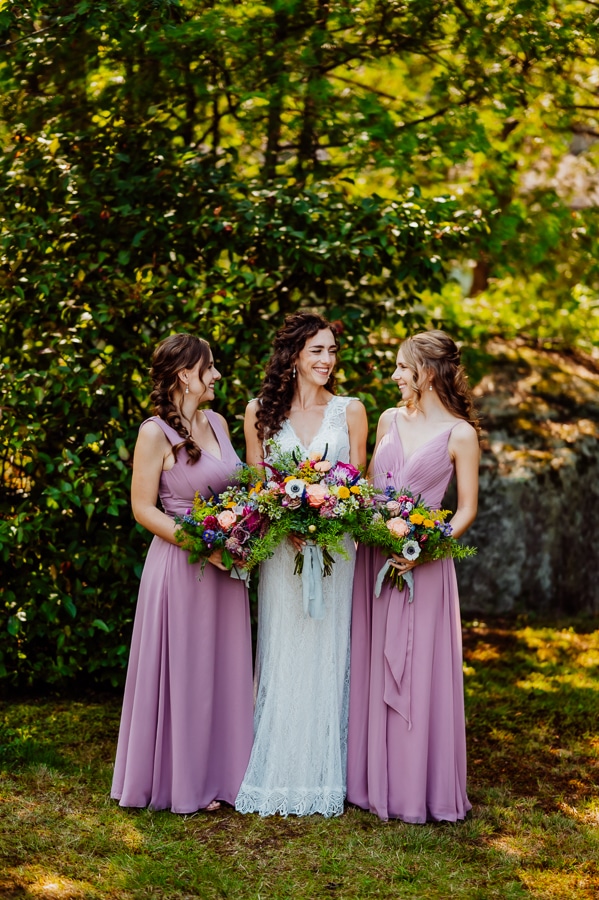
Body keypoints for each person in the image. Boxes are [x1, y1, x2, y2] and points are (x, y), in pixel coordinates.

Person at [111, 333, 254, 814]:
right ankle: (183, 780)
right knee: (187, 671)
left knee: (224, 669)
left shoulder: (217, 421)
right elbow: (142, 509)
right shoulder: (155, 433)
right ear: (183, 375)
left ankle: (225, 776)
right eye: (209, 367)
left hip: (225, 570)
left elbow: (234, 488)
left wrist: (241, 534)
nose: (216, 375)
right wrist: (203, 544)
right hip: (181, 566)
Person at [235, 312, 368, 817]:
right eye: (317, 350)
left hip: (334, 554)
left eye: (332, 351)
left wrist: (328, 519)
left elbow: (359, 484)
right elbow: (255, 485)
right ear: (294, 355)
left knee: (330, 652)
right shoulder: (258, 412)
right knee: (283, 647)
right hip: (281, 552)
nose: (327, 361)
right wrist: (284, 523)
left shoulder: (350, 411)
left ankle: (324, 775)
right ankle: (280, 769)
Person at [347, 330, 480, 823]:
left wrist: (426, 547)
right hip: (372, 558)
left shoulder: (461, 434)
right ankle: (368, 781)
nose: (396, 375)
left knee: (417, 667)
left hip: (421, 563)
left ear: (426, 373)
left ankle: (411, 786)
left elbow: (465, 509)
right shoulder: (387, 419)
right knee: (371, 662)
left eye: (403, 368)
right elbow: (368, 484)